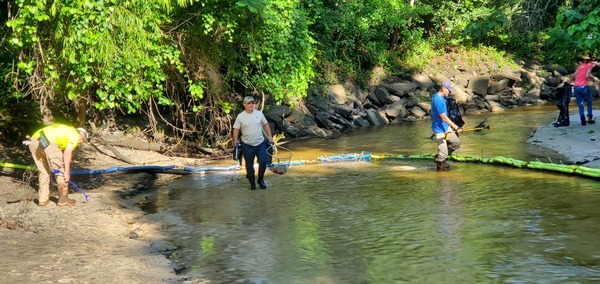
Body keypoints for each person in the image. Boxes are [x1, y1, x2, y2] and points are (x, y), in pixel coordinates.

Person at [27, 123, 89, 206]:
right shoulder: (75, 135)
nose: (79, 144)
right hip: (49, 142)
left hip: (34, 141)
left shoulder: (65, 129)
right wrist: (67, 171)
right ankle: (63, 199)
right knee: (60, 169)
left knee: (43, 171)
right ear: (81, 136)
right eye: (82, 142)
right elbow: (67, 153)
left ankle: (43, 199)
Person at [232, 96, 274, 190]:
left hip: (260, 143)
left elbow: (266, 124)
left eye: (252, 103)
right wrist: (235, 140)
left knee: (263, 160)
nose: (251, 105)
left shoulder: (259, 114)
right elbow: (236, 129)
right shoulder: (240, 116)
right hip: (247, 144)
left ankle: (260, 180)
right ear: (244, 105)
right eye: (249, 103)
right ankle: (252, 183)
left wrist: (270, 136)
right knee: (249, 165)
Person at [431, 80, 462, 171]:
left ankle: (440, 157)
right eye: (449, 90)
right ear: (444, 88)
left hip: (445, 127)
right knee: (443, 154)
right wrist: (456, 127)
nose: (450, 92)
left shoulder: (442, 98)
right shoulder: (438, 99)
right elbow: (443, 117)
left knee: (456, 143)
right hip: (439, 130)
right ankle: (441, 173)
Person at [571, 55, 600, 125]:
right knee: (588, 102)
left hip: (576, 87)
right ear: (589, 61)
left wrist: (569, 81)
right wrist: (594, 78)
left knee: (580, 104)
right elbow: (587, 75)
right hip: (583, 87)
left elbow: (573, 75)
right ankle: (590, 118)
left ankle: (582, 119)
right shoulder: (589, 65)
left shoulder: (580, 66)